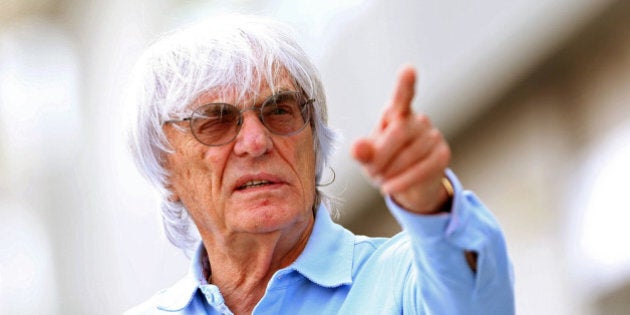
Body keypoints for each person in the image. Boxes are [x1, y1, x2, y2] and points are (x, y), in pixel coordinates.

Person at [125, 14, 514, 315]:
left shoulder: (399, 282)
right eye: (216, 121)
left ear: (313, 139)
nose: (257, 142)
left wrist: (431, 203)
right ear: (165, 166)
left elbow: (474, 300)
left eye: (279, 111)